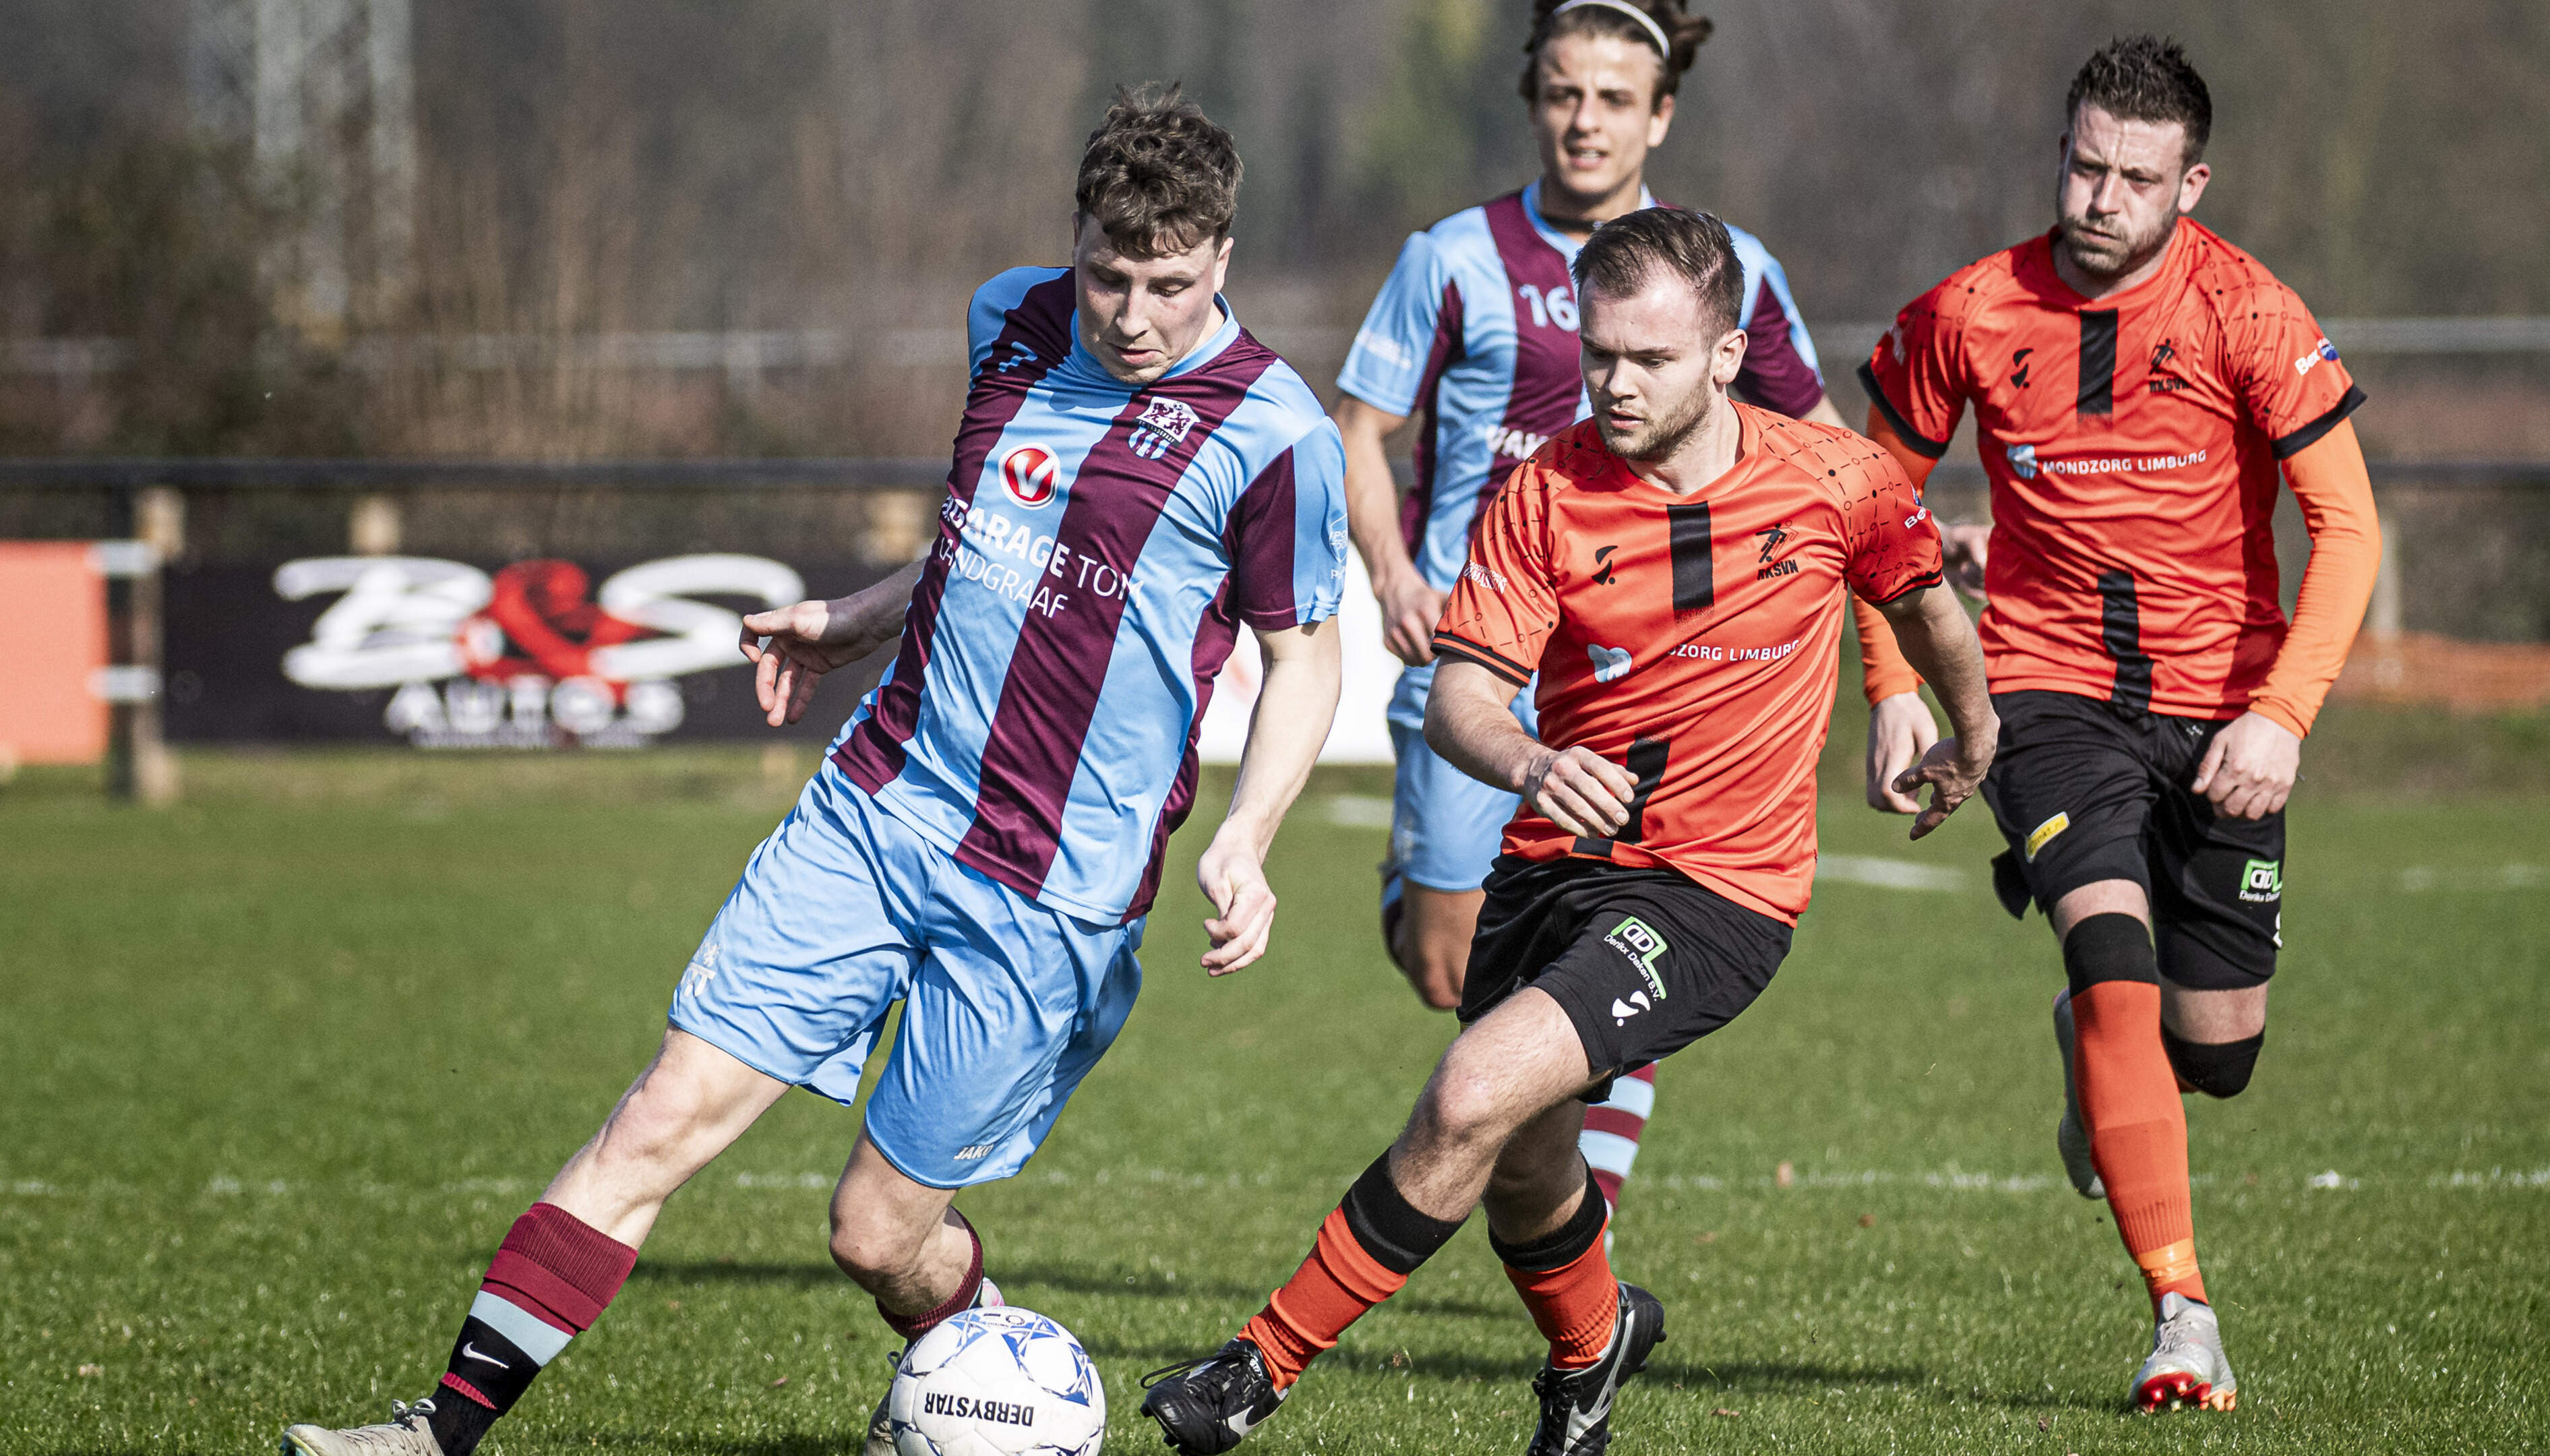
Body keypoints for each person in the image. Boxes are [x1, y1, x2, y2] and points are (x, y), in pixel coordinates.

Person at [280, 86, 1350, 1456]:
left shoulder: (1275, 435)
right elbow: (981, 541)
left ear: (1225, 263)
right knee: (659, 1114)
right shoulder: (1012, 321)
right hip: (877, 806)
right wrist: (855, 620)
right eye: (1107, 276)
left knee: (874, 1236)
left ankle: (1009, 1396)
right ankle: (438, 1433)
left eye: (1169, 287)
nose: (1131, 316)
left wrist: (1250, 834)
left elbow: (1303, 659)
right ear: (1072, 244)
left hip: (1048, 891)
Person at [1143, 208, 1995, 1456]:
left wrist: (1967, 729)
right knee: (1528, 1169)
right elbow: (1459, 702)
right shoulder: (1543, 495)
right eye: (1600, 354)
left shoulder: (1831, 478)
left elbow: (1922, 604)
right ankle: (1594, 1353)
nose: (1616, 383)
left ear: (1724, 353)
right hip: (1550, 873)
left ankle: (1255, 1370)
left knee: (1470, 1092)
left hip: (1718, 892)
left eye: (1650, 358)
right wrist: (1537, 762)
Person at [1850, 35, 2380, 1414]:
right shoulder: (1965, 311)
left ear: (2189, 184)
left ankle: (2099, 1054)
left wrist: (2282, 717)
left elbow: (2351, 528)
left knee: (2215, 1049)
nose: (2101, 197)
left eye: (2136, 177)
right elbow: (1871, 514)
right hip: (2042, 692)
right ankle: (2184, 1315)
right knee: (2114, 968)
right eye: (2084, 165)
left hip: (2224, 714)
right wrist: (1897, 691)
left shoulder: (2253, 314)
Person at [1335, 0, 1845, 1236]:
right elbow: (1362, 430)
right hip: (1486, 662)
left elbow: (1825, 450)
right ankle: (1416, 887)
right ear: (1534, 102)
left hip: (1653, 673)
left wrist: (1924, 545)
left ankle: (1590, 1195)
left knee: (1627, 927)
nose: (1586, 120)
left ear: (1661, 114)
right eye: (1566, 93)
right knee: (1449, 968)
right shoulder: (1451, 256)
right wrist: (1398, 575)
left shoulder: (1736, 270)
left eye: (1615, 99)